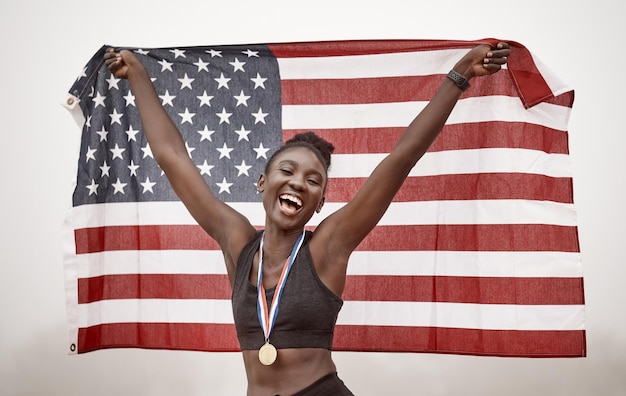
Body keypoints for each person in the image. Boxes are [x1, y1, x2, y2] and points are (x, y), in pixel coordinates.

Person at [104, 41, 510, 395]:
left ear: (319, 203)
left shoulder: (327, 246)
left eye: (313, 181)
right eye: (287, 171)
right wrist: (138, 75)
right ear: (262, 183)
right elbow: (173, 158)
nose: (298, 183)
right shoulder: (238, 242)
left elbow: (400, 158)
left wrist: (458, 77)